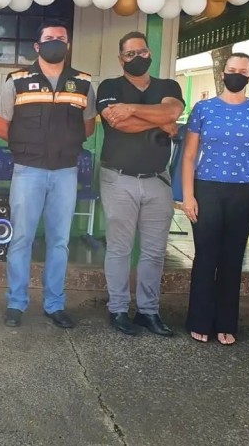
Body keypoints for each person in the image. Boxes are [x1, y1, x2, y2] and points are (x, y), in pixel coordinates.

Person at [0, 19, 96, 329]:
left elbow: (88, 125)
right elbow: (0, 124)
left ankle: (54, 304)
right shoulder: (17, 81)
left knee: (59, 241)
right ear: (37, 46)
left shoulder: (83, 83)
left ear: (68, 45)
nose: (55, 41)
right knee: (21, 238)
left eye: (61, 38)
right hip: (28, 171)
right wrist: (28, 148)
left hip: (65, 172)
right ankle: (16, 303)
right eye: (49, 38)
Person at [181, 52, 249, 345]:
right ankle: (199, 320)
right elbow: (188, 155)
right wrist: (188, 195)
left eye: (243, 71)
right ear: (224, 73)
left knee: (233, 258)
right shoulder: (204, 108)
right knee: (206, 256)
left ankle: (226, 323)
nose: (237, 74)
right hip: (207, 188)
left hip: (243, 191)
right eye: (232, 69)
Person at [97, 31, 184, 336]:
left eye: (142, 52)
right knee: (120, 249)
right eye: (130, 54)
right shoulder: (109, 87)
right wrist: (159, 120)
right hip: (118, 179)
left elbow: (172, 111)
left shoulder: (168, 86)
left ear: (150, 54)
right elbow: (118, 122)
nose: (137, 58)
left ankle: (148, 311)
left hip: (158, 181)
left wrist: (132, 108)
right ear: (121, 59)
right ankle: (118, 309)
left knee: (154, 251)